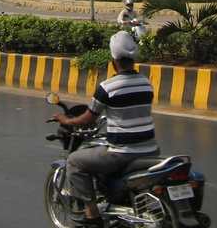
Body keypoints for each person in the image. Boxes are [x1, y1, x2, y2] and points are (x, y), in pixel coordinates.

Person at [53, 31, 158, 227]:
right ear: (133, 60)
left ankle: (92, 215)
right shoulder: (146, 84)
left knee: (75, 161)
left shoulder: (108, 87)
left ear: (113, 61)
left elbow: (88, 119)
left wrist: (66, 121)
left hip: (122, 153)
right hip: (150, 149)